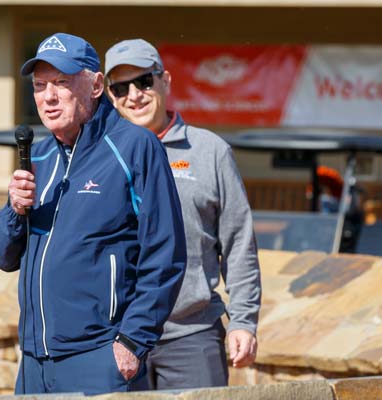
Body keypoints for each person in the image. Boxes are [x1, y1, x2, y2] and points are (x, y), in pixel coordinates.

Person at [0, 33, 186, 395]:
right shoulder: (40, 159)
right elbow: (3, 256)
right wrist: (16, 210)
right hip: (34, 363)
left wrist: (132, 341)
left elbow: (166, 255)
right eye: (39, 85)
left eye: (62, 83)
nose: (48, 96)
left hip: (99, 357)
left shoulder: (135, 147)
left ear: (96, 85)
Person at [105, 39, 262, 390]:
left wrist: (243, 321)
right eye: (120, 88)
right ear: (110, 96)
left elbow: (238, 243)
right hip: (118, 337)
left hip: (192, 335)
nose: (134, 95)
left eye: (144, 81)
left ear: (166, 81)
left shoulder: (211, 152)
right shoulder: (99, 157)